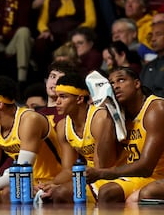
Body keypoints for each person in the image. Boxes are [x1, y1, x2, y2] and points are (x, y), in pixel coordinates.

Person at [86, 67, 164, 204]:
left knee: (126, 193)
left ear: (137, 84)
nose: (115, 86)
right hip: (140, 177)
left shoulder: (157, 109)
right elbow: (105, 163)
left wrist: (102, 174)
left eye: (121, 80)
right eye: (111, 84)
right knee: (63, 193)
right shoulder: (120, 115)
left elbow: (146, 167)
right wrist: (111, 114)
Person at [41, 72, 119, 202]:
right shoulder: (62, 126)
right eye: (57, 97)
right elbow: (68, 170)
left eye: (63, 97)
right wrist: (51, 183)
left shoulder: (99, 118)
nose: (57, 102)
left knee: (61, 193)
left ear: (79, 99)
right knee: (48, 193)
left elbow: (101, 167)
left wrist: (61, 187)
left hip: (112, 173)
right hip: (90, 175)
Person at [35, 0, 97, 66]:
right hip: (54, 35)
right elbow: (42, 20)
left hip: (74, 33)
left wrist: (76, 33)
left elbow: (91, 20)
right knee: (40, 43)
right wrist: (45, 30)